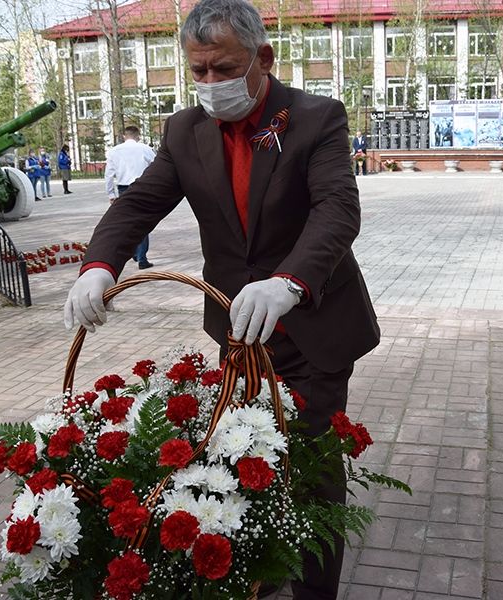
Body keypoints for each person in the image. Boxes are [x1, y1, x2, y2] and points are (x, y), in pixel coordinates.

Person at [63, 1, 379, 598]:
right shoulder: (185, 131)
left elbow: (337, 211)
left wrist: (288, 282)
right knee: (250, 452)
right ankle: (261, 568)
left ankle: (315, 589)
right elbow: (138, 204)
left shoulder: (315, 118)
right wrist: (99, 265)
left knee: (311, 465)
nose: (210, 84)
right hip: (237, 331)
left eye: (225, 69)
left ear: (262, 58)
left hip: (310, 322)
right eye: (199, 72)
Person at [104, 125, 157, 269]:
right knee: (143, 221)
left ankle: (133, 252)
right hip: (143, 186)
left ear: (124, 136)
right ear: (138, 135)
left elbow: (109, 174)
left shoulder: (114, 151)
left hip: (123, 187)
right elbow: (157, 167)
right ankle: (142, 258)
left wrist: (111, 194)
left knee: (127, 221)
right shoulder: (146, 149)